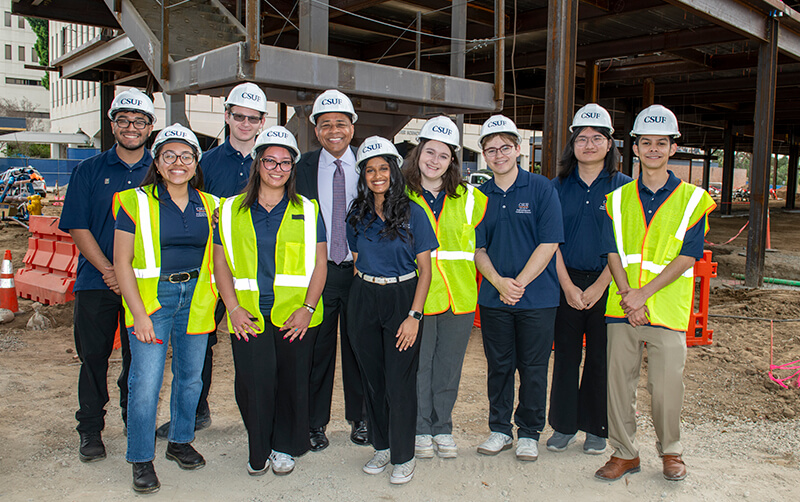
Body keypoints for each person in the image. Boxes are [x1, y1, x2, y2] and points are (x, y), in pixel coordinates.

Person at [594, 105, 715, 482]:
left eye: (661, 144)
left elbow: (689, 256)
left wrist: (641, 294)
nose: (653, 150)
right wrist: (629, 295)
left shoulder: (694, 200)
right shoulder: (617, 199)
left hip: (666, 309)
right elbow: (611, 251)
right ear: (635, 148)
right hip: (624, 307)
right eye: (646, 143)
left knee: (666, 389)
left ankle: (671, 452)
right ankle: (624, 453)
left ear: (672, 148)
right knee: (618, 386)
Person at [156, 82, 267, 438]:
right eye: (239, 117)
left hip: (253, 271)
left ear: (262, 121)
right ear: (227, 117)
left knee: (256, 341)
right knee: (198, 340)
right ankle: (193, 413)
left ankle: (260, 413)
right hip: (208, 268)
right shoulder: (207, 162)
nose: (245, 124)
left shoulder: (271, 163)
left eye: (253, 118)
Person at [214, 126, 327, 476]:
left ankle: (283, 446)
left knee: (292, 383)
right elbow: (221, 263)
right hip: (248, 314)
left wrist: (307, 309)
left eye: (285, 163)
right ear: (257, 164)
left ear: (292, 168)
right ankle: (258, 446)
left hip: (295, 316)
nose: (277, 169)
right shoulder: (230, 209)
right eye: (270, 161)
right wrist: (232, 308)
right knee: (253, 383)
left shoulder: (309, 210)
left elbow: (320, 263)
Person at [113, 123, 218, 493]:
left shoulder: (209, 204)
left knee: (191, 377)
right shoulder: (135, 201)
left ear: (196, 163)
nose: (178, 163)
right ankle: (141, 458)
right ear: (157, 162)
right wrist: (138, 314)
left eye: (186, 156)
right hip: (153, 300)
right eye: (169, 155)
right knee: (146, 383)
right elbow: (122, 262)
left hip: (197, 299)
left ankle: (179, 439)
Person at [58, 88, 155, 463]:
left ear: (150, 127)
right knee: (94, 357)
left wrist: (129, 276)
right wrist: (110, 271)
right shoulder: (89, 171)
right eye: (124, 121)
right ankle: (90, 430)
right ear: (113, 124)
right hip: (96, 283)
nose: (132, 128)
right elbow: (78, 226)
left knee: (139, 360)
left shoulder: (160, 171)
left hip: (145, 285)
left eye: (140, 122)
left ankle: (136, 421)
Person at [347, 136, 438, 484]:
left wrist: (414, 316)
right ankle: (381, 447)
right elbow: (358, 261)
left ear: (394, 171)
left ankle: (403, 455)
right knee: (373, 379)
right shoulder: (356, 212)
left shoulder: (414, 211)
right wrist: (366, 297)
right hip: (364, 297)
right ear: (363, 175)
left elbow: (426, 270)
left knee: (399, 383)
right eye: (370, 169)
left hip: (403, 297)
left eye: (383, 167)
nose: (377, 175)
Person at [473, 115, 564, 462]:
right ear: (484, 155)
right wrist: (498, 283)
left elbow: (550, 241)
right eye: (491, 149)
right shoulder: (479, 196)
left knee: (533, 367)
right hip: (495, 299)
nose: (499, 155)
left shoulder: (541, 189)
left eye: (505, 148)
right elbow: (478, 250)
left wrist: (519, 284)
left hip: (538, 299)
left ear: (519, 149)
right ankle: (499, 430)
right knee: (499, 366)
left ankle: (529, 432)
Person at [546, 104, 632, 455]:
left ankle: (596, 428)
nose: (589, 144)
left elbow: (626, 245)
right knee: (566, 356)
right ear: (573, 144)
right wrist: (567, 286)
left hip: (608, 283)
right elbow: (549, 241)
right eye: (582, 138)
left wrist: (600, 286)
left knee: (601, 357)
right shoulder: (555, 187)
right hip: (564, 281)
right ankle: (563, 426)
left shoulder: (625, 189)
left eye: (598, 138)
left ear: (610, 144)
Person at [403, 116, 488, 459]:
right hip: (419, 296)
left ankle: (443, 428)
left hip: (459, 295)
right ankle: (421, 427)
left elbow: (480, 248)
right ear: (419, 152)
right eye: (429, 152)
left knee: (449, 366)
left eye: (443, 155)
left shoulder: (471, 199)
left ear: (453, 160)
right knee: (420, 365)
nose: (434, 160)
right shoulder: (400, 194)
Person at [295, 89, 368, 450]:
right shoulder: (301, 169)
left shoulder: (372, 165)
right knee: (317, 350)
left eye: (341, 123)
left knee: (360, 348)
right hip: (318, 274)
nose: (334, 130)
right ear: (316, 130)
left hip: (360, 273)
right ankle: (313, 423)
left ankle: (362, 418)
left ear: (352, 127)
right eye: (326, 125)